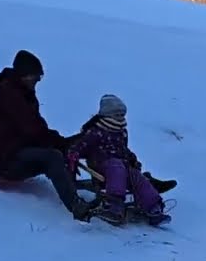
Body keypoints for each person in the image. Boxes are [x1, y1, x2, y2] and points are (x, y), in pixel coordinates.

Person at [0, 50, 95, 222]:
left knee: (62, 150)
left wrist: (62, 143)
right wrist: (59, 143)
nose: (37, 81)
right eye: (35, 77)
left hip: (20, 148)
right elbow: (32, 129)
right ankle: (76, 207)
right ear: (24, 75)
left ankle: (73, 185)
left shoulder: (23, 92)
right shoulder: (9, 94)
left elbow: (37, 126)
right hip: (8, 156)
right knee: (53, 157)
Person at [64, 95, 170, 227]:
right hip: (101, 166)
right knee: (117, 166)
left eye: (122, 114)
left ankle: (153, 208)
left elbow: (123, 150)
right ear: (107, 114)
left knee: (137, 177)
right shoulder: (96, 132)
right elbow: (80, 146)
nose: (121, 117)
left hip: (121, 166)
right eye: (117, 114)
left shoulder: (121, 132)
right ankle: (114, 206)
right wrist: (73, 155)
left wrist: (132, 159)